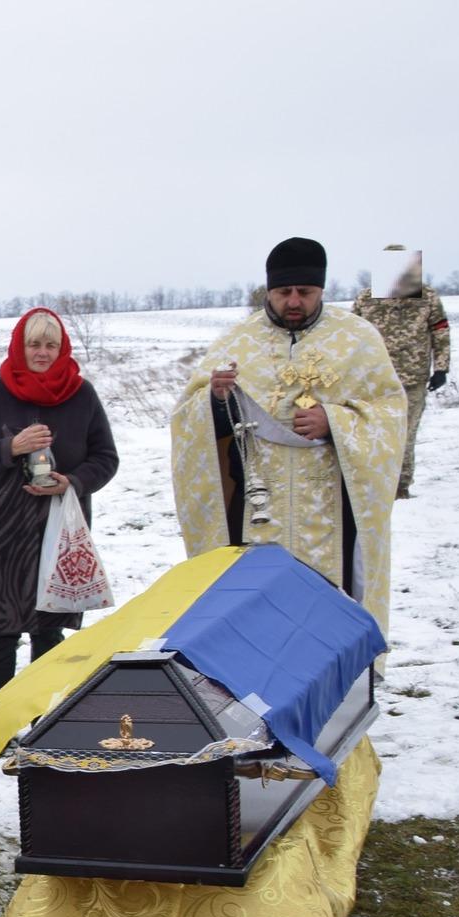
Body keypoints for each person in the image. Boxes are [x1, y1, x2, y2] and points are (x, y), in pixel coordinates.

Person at [171, 238, 407, 645]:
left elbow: (389, 413)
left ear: (322, 290)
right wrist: (216, 398)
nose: (293, 301)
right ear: (269, 290)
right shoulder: (237, 341)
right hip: (261, 503)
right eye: (283, 292)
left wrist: (334, 420)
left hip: (332, 505)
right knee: (260, 609)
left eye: (305, 292)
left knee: (329, 608)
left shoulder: (358, 339)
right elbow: (187, 418)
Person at [0, 308, 121, 699]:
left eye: (50, 345)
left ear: (62, 348)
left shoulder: (82, 395)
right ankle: (1, 720)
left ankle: (44, 715)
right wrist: (11, 446)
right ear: (19, 347)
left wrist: (73, 482)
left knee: (48, 625)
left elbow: (106, 458)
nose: (42, 353)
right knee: (1, 628)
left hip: (58, 524)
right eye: (33, 344)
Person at [352, 246, 452, 499]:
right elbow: (351, 335)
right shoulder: (366, 298)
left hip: (412, 379)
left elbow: (440, 331)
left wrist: (441, 367)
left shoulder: (426, 297)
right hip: (374, 381)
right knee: (374, 434)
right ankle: (375, 483)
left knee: (405, 435)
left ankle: (400, 487)